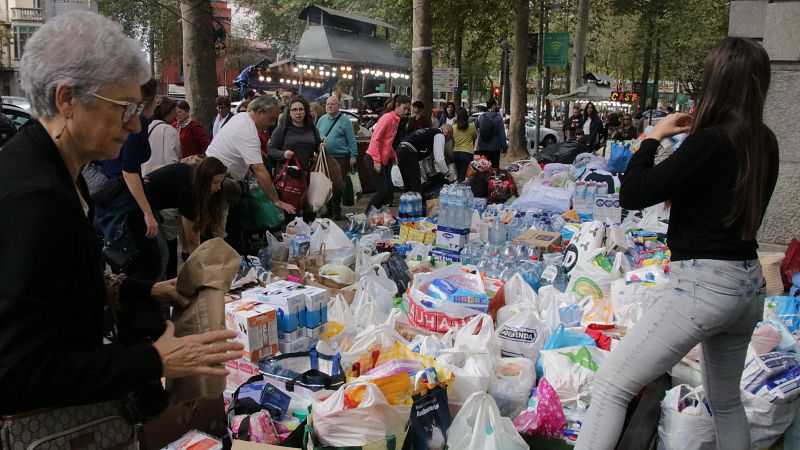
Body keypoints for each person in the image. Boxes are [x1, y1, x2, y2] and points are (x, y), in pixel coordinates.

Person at [0, 10, 241, 418]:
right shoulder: (33, 199)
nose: (135, 127)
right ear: (67, 100)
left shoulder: (61, 171)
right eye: (125, 108)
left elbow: (61, 284)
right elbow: (14, 374)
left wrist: (147, 290)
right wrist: (155, 360)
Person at [575, 37, 780, 450]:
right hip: (747, 285)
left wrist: (651, 138)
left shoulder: (711, 142)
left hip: (704, 286)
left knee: (612, 384)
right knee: (725, 403)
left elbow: (633, 194)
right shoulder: (765, 142)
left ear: (716, 81)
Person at [207, 95, 295, 252]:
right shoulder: (248, 131)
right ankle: (231, 263)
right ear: (260, 112)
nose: (272, 123)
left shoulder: (241, 117)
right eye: (272, 118)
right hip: (221, 182)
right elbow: (259, 170)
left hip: (223, 177)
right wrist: (276, 201)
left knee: (230, 226)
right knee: (225, 229)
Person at [95, 79, 162, 282]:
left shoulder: (131, 120)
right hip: (123, 201)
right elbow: (128, 169)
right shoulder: (138, 122)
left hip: (115, 194)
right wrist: (148, 213)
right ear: (154, 99)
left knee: (130, 260)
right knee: (147, 262)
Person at [145, 157, 230, 268]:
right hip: (137, 205)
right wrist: (201, 269)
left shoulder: (191, 173)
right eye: (215, 182)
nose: (218, 188)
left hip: (150, 203)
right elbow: (192, 241)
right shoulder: (190, 192)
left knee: (164, 255)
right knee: (161, 257)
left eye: (220, 183)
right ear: (204, 179)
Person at [268, 95, 323, 221]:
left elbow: (317, 148)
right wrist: (283, 154)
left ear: (305, 111)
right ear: (289, 112)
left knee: (309, 212)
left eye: (301, 109)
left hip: (306, 176)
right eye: (294, 110)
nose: (298, 113)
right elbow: (270, 150)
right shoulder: (282, 129)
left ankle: (307, 238)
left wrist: (321, 148)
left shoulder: (311, 128)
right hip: (288, 178)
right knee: (290, 214)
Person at [364, 94, 411, 212]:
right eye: (404, 108)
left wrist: (393, 154)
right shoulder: (388, 118)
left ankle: (375, 215)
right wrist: (376, 160)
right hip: (373, 158)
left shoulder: (396, 119)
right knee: (383, 191)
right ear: (397, 105)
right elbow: (375, 139)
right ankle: (368, 215)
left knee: (388, 191)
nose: (406, 111)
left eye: (407, 109)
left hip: (382, 159)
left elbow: (387, 142)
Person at [316, 95, 357, 221]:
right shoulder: (322, 119)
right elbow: (316, 136)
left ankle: (336, 211)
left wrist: (353, 155)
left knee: (337, 185)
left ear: (338, 106)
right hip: (325, 157)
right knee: (326, 184)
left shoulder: (345, 121)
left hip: (341, 157)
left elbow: (351, 139)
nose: (329, 106)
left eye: (332, 104)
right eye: (327, 104)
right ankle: (329, 209)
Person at [396, 125, 454, 196]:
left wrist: (427, 174)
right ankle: (417, 206)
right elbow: (439, 158)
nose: (446, 141)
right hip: (409, 153)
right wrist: (447, 174)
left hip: (400, 151)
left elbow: (424, 160)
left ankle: (406, 205)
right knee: (415, 187)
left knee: (408, 185)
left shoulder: (428, 132)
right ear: (446, 132)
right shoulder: (439, 134)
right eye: (448, 138)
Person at [142, 96, 181, 175]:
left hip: (145, 175)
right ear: (168, 111)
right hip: (162, 177)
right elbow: (171, 161)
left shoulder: (148, 127)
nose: (176, 114)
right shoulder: (169, 130)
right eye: (174, 110)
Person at [475, 98, 507, 168]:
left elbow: (475, 128)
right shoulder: (499, 118)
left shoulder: (480, 117)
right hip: (494, 148)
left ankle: (484, 179)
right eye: (497, 105)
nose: (498, 106)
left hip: (482, 148)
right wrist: (504, 148)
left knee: (483, 168)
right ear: (493, 106)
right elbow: (502, 135)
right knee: (494, 168)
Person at [452, 107, 478, 182]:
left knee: (459, 175)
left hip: (456, 152)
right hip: (468, 153)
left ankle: (459, 190)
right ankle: (464, 191)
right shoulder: (472, 126)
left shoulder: (453, 128)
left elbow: (452, 140)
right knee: (467, 176)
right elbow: (475, 137)